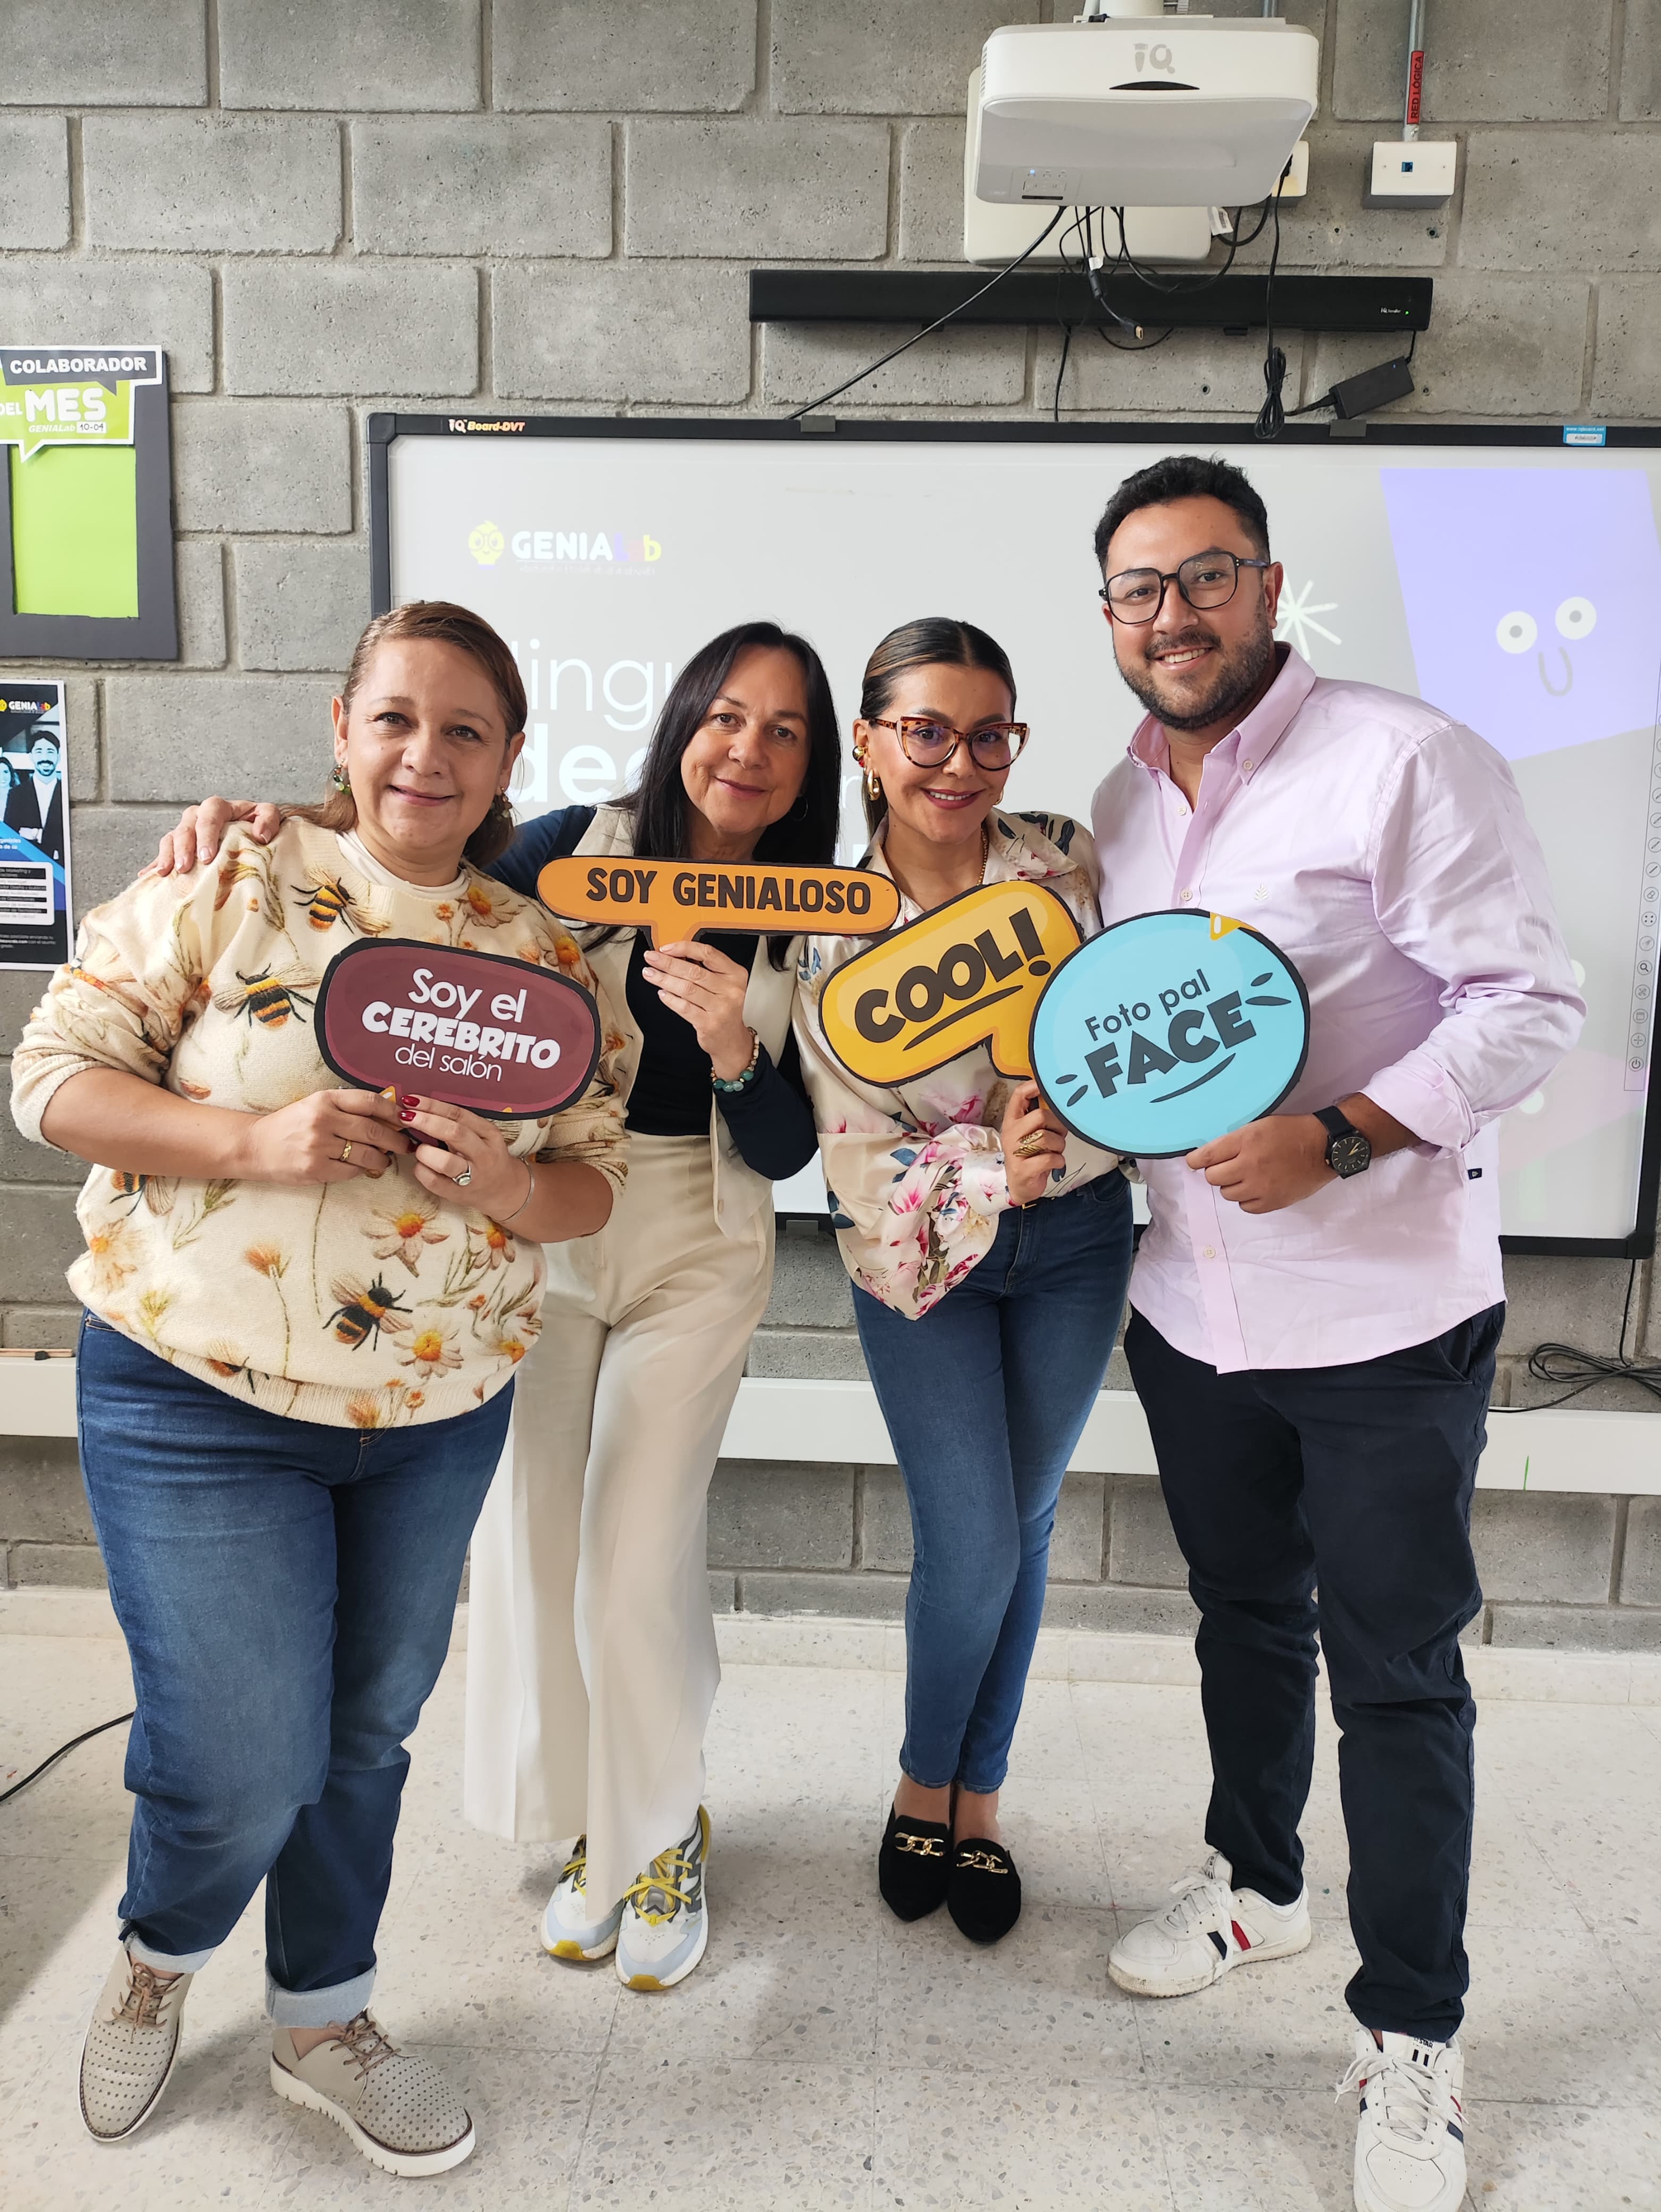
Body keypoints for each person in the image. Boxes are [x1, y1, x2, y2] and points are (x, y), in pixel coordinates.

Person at [11, 601, 628, 2175]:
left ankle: (322, 2015)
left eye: (467, 729)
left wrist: (503, 1179)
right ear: (343, 728)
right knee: (238, 1753)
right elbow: (53, 1083)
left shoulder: (549, 957)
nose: (427, 754)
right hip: (192, 1394)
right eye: (398, 718)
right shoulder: (223, 877)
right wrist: (248, 1143)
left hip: (433, 1420)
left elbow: (591, 1192)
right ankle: (160, 1950)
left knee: (363, 1732)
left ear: (507, 763)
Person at [151, 619, 840, 1995]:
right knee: (533, 1549)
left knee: (638, 1558)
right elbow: (404, 855)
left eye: (782, 731)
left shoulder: (826, 907)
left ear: (810, 764)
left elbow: (785, 1148)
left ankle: (657, 1834)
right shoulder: (573, 849)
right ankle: (587, 1818)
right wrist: (258, 816)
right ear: (680, 719)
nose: (746, 751)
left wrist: (732, 1049)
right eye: (724, 715)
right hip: (533, 1221)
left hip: (700, 1236)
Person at [1087, 456, 1583, 2212]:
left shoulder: (1401, 758)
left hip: (1382, 1311)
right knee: (1241, 1612)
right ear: (1110, 620)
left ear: (1269, 585)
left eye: (1203, 578)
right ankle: (1254, 1879)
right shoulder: (1115, 808)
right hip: (1188, 1306)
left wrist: (1346, 1132)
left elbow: (1529, 997)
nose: (1173, 615)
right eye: (1139, 590)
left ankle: (1411, 2035)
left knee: (1394, 1672)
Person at [794, 617, 1132, 1946]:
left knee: (1029, 1516)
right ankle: (919, 1775)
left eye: (990, 732)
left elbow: (1135, 1022)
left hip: (1081, 1241)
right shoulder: (828, 921)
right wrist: (995, 1163)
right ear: (869, 742)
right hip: (923, 1263)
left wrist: (1076, 1124)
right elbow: (851, 1154)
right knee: (976, 1532)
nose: (961, 761)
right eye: (927, 731)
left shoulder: (1064, 858)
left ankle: (978, 1793)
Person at [4, 720, 65, 860]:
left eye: (50, 752)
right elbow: (11, 836)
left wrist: (34, 834)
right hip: (29, 863)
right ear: (31, 757)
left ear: (59, 756)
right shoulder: (17, 794)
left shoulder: (67, 792)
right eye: (39, 752)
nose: (45, 758)